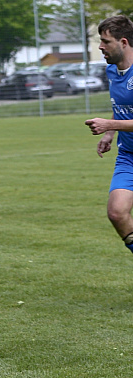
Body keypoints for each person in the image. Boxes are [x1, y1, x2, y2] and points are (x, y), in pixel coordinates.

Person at [86, 15, 133, 254]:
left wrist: (109, 124)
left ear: (123, 42)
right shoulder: (113, 71)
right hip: (129, 154)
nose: (100, 47)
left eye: (105, 41)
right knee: (116, 212)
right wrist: (111, 131)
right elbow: (124, 106)